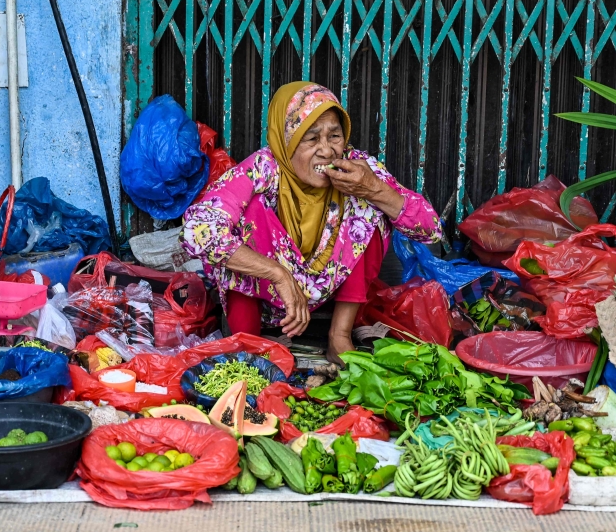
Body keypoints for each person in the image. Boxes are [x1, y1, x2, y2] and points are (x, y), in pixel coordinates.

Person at [181, 82, 441, 363]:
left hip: (326, 292)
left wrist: (375, 189)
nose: (327, 151)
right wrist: (278, 274)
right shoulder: (263, 168)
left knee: (368, 198)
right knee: (247, 212)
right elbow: (198, 231)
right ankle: (248, 341)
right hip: (267, 293)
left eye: (335, 136)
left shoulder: (356, 165)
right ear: (287, 140)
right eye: (311, 138)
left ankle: (338, 335)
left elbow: (431, 229)